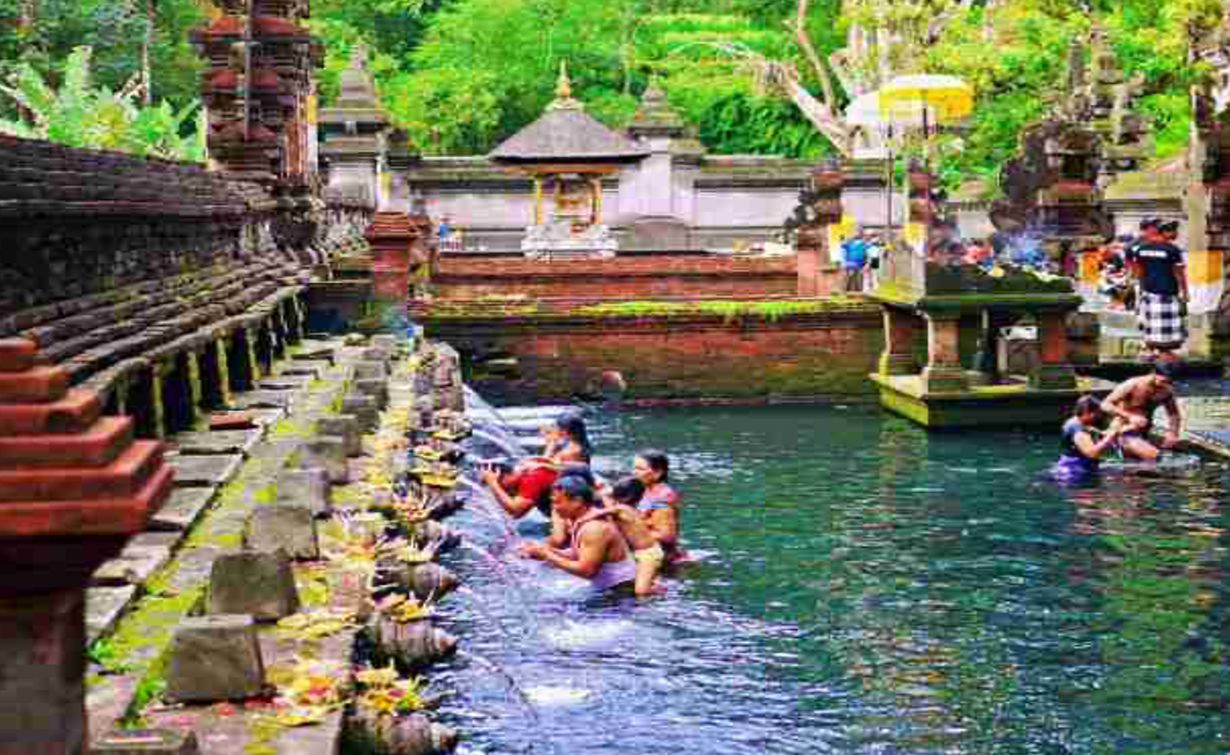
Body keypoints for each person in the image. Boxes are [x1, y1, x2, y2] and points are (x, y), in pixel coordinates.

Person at [519, 476, 636, 590]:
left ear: (577, 501)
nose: (554, 508)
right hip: (607, 589)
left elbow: (586, 571)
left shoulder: (593, 528)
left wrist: (547, 555)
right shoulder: (580, 520)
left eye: (557, 502)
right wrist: (545, 550)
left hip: (620, 593)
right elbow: (577, 553)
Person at [1126, 218, 1188, 356]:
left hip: (1148, 291)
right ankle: (1165, 352)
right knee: (1167, 325)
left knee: (1150, 323)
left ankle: (1150, 351)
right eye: (1174, 231)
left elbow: (1138, 272)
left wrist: (1140, 290)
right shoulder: (1172, 249)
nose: (1176, 234)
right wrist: (1185, 292)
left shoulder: (1141, 249)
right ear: (1165, 232)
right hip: (1167, 291)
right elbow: (1179, 273)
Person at [1100, 361, 1184, 462]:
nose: (1165, 385)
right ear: (1153, 373)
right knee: (1157, 458)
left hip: (1144, 431)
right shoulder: (1132, 384)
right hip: (1123, 431)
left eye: (1169, 382)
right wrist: (1130, 416)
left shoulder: (1166, 390)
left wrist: (1173, 433)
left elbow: (1173, 414)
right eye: (1163, 381)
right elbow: (1105, 404)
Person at [600, 477, 666, 597]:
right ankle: (654, 583)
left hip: (648, 554)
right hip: (644, 552)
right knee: (640, 581)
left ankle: (664, 591)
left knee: (641, 591)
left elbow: (602, 508)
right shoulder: (626, 509)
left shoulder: (622, 509)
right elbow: (606, 499)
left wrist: (583, 518)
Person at [1052, 395, 1124, 481]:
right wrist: (1110, 436)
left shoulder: (1079, 423)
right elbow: (1091, 453)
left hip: (1080, 468)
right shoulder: (1077, 428)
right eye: (1097, 413)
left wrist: (1111, 431)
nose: (1098, 416)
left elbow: (1095, 434)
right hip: (1074, 473)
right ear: (1087, 412)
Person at [633, 450, 682, 562]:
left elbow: (666, 535)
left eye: (640, 469)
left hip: (662, 558)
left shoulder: (663, 497)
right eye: (634, 468)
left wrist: (630, 531)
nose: (634, 472)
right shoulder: (644, 490)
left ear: (658, 473)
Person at [481, 459, 558, 519]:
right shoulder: (528, 468)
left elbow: (516, 512)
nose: (503, 489)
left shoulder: (531, 478)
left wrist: (493, 484)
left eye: (500, 484)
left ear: (505, 476)